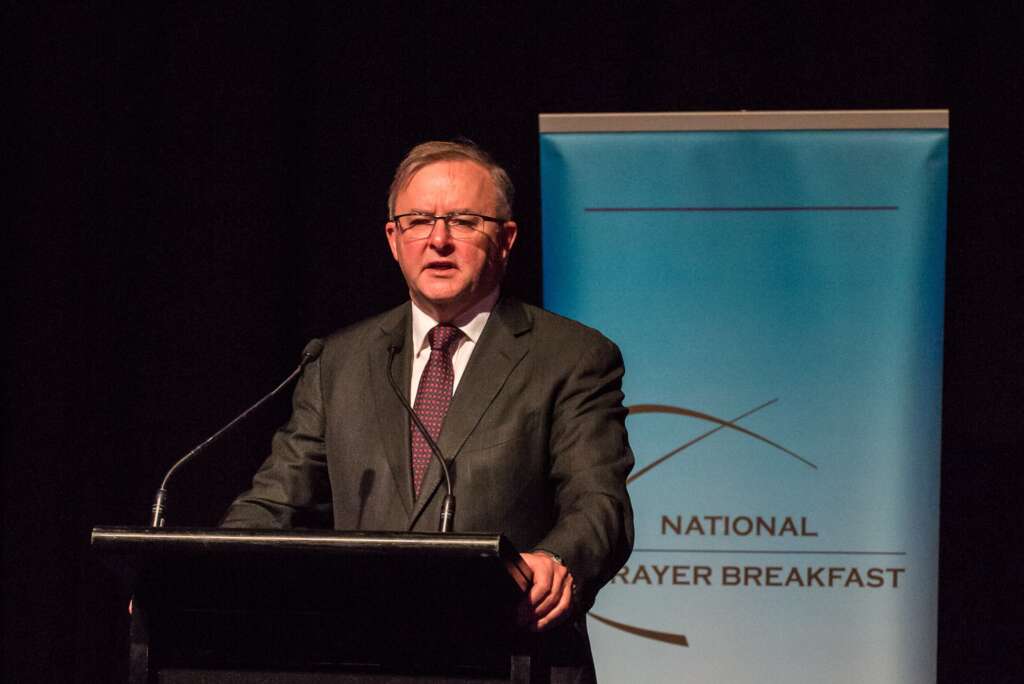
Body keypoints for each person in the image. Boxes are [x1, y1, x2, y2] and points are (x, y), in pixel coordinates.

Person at [222, 140, 634, 681]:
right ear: (394, 239)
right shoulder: (339, 360)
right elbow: (276, 501)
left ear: (506, 239)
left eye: (463, 221)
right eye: (418, 221)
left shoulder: (573, 357)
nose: (438, 240)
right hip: (364, 660)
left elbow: (599, 502)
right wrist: (192, 578)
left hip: (511, 655)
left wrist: (558, 560)